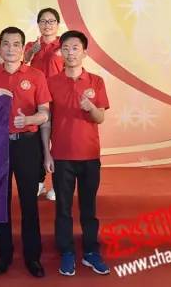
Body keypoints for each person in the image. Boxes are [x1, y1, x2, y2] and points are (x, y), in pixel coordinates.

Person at [0, 26, 51, 278]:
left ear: (23, 48)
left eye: (16, 44)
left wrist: (29, 119)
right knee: (0, 202)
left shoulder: (36, 75)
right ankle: (4, 254)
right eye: (6, 44)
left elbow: (45, 113)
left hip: (27, 145)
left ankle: (33, 257)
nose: (11, 49)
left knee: (29, 203)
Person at [42, 30, 110, 277]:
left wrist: (90, 107)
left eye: (75, 48)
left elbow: (100, 117)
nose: (70, 53)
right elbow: (47, 121)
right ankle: (67, 252)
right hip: (61, 156)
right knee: (63, 208)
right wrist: (47, 154)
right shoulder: (51, 82)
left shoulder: (96, 81)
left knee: (88, 208)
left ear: (84, 53)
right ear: (60, 52)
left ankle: (91, 252)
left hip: (90, 155)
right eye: (66, 48)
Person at [24, 8, 63, 201]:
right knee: (38, 143)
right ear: (38, 24)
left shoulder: (63, 45)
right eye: (43, 21)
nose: (47, 25)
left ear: (58, 24)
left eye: (51, 21)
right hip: (37, 101)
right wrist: (32, 51)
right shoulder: (32, 45)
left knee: (59, 143)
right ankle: (39, 182)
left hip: (58, 100)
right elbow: (23, 61)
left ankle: (57, 184)